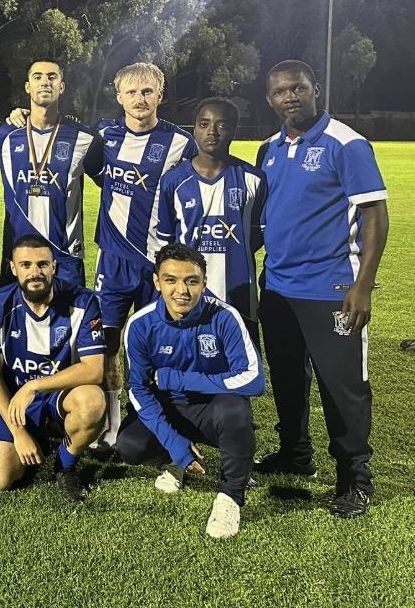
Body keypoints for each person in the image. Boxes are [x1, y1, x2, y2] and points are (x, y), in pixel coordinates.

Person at [254, 60, 388, 519]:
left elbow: (375, 215)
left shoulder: (346, 143)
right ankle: (295, 453)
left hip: (331, 288)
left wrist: (362, 286)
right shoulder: (269, 149)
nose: (290, 97)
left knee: (342, 385)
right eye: (280, 91)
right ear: (270, 100)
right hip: (277, 287)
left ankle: (355, 479)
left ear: (315, 89)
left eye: (298, 88)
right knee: (287, 377)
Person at [119, 243, 264, 538]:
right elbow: (138, 390)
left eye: (191, 281)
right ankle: (175, 461)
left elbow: (253, 379)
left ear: (204, 283)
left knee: (234, 412)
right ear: (157, 282)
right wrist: (174, 443)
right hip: (169, 409)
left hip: (211, 409)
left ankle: (230, 496)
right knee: (129, 446)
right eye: (171, 280)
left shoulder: (224, 317)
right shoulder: (140, 324)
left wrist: (178, 379)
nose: (181, 291)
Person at [92, 62, 197, 450]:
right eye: (132, 92)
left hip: (159, 266)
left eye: (148, 91)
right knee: (107, 344)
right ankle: (111, 424)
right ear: (119, 96)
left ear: (160, 96)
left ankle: (153, 421)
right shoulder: (104, 136)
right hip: (113, 262)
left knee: (157, 347)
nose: (140, 98)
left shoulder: (181, 143)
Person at [0, 235, 106, 502]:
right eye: (26, 265)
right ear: (13, 268)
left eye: (42, 264)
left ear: (54, 266)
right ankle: (35, 437)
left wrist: (34, 386)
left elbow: (94, 370)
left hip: (60, 393)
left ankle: (65, 463)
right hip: (16, 399)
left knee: (92, 402)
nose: (35, 272)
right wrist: (18, 432)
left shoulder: (83, 302)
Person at [157, 97, 266, 341]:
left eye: (222, 125)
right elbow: (166, 240)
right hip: (186, 291)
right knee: (188, 354)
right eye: (204, 124)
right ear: (194, 129)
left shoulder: (253, 179)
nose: (212, 132)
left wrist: (234, 250)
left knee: (241, 356)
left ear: (234, 130)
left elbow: (258, 234)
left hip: (239, 289)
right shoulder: (173, 181)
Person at [0, 59, 103, 288]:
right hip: (19, 255)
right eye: (37, 77)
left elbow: (109, 181)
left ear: (61, 87)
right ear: (27, 86)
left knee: (70, 312)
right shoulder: (3, 136)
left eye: (52, 77)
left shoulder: (84, 138)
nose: (45, 82)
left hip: (65, 255)